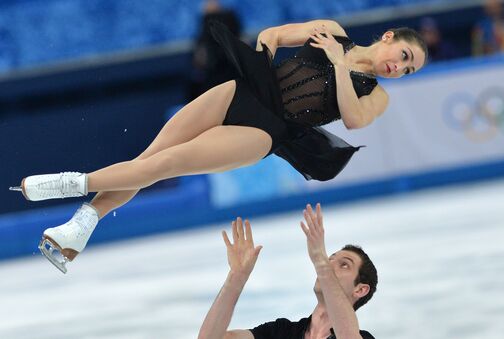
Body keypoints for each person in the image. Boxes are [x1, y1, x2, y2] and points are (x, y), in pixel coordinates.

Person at [10, 20, 427, 272]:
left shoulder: (377, 95)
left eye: (408, 69)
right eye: (405, 55)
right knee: (147, 160)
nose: (400, 67)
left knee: (166, 163)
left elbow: (353, 117)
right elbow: (273, 34)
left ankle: (72, 183)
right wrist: (263, 69)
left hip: (265, 132)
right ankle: (79, 227)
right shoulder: (333, 31)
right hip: (240, 93)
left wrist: (339, 64)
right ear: (389, 37)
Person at [198, 203, 378, 339]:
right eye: (329, 259)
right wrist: (236, 277)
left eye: (344, 264)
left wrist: (322, 265)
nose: (330, 264)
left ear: (360, 289)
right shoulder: (282, 332)